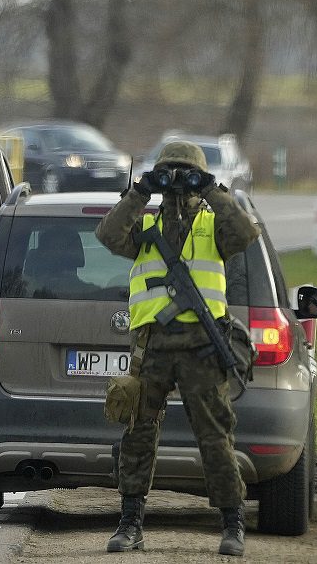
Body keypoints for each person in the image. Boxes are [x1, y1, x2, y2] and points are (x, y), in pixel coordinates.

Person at [95, 141, 260, 556]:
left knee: (215, 437)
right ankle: (130, 522)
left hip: (202, 348)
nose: (177, 185)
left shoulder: (213, 225)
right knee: (137, 433)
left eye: (185, 175)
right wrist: (140, 191)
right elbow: (109, 235)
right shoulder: (146, 226)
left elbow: (245, 233)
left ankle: (231, 522)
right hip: (152, 348)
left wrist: (211, 189)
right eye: (170, 174)